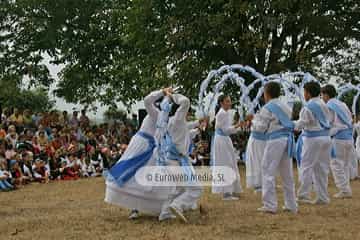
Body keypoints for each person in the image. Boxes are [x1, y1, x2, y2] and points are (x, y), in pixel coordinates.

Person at [105, 88, 173, 219]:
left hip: (152, 149)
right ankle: (134, 208)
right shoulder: (155, 113)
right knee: (132, 174)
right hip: (141, 145)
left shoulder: (166, 119)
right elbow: (147, 100)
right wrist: (162, 91)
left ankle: (146, 206)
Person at [248, 82, 297, 214]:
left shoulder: (267, 107)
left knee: (267, 169)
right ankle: (291, 204)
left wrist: (253, 121)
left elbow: (261, 128)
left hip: (275, 140)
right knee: (287, 173)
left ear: (267, 93)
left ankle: (270, 204)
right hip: (287, 139)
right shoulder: (286, 106)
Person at [159, 92, 203, 223]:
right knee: (195, 188)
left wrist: (198, 125)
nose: (187, 113)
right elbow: (185, 102)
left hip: (174, 160)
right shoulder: (177, 120)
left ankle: (165, 212)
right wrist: (172, 95)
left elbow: (186, 129)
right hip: (176, 160)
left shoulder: (175, 122)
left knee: (179, 187)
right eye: (187, 112)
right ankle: (177, 205)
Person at [295, 82, 333, 205]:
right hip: (326, 138)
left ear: (308, 93)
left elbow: (301, 124)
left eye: (304, 92)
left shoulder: (307, 107)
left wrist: (288, 124)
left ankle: (303, 195)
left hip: (313, 139)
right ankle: (323, 197)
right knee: (321, 168)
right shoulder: (324, 104)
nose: (304, 94)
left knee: (306, 166)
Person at [321, 85, 354, 198]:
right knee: (344, 165)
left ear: (326, 94)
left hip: (338, 137)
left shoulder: (329, 105)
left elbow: (328, 122)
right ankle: (346, 188)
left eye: (322, 95)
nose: (322, 98)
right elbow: (350, 119)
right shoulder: (343, 104)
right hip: (349, 137)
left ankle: (344, 190)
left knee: (335, 164)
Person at [211, 95, 243, 200]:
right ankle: (226, 192)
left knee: (229, 162)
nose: (230, 103)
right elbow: (226, 130)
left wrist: (236, 127)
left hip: (224, 139)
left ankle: (230, 190)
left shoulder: (224, 113)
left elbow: (227, 129)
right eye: (227, 101)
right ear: (221, 103)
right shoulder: (222, 114)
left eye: (230, 101)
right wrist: (237, 126)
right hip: (222, 140)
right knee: (226, 163)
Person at [245, 113, 266, 192]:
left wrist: (252, 121)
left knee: (264, 161)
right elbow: (257, 127)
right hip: (256, 140)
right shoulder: (255, 111)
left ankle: (265, 182)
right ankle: (258, 183)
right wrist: (250, 121)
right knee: (256, 161)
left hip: (263, 140)